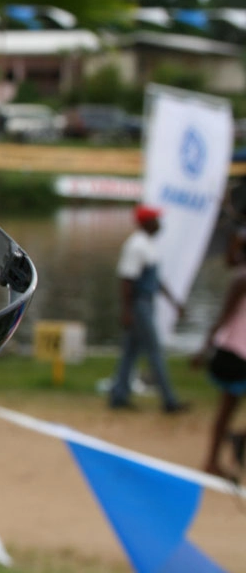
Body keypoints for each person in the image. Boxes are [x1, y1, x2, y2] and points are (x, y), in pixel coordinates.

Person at [108, 204, 189, 413]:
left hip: (145, 303)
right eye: (155, 219)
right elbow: (127, 280)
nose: (159, 223)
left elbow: (156, 280)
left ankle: (118, 395)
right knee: (154, 351)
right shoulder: (136, 245)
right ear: (146, 223)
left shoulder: (148, 244)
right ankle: (169, 400)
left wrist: (174, 302)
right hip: (139, 305)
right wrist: (127, 311)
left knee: (130, 352)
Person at [194, 266, 246, 480]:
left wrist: (205, 348)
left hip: (237, 351)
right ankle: (212, 461)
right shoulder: (241, 278)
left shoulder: (241, 278)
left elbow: (224, 315)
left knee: (227, 409)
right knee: (227, 408)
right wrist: (205, 348)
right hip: (235, 352)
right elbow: (225, 315)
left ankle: (234, 442)